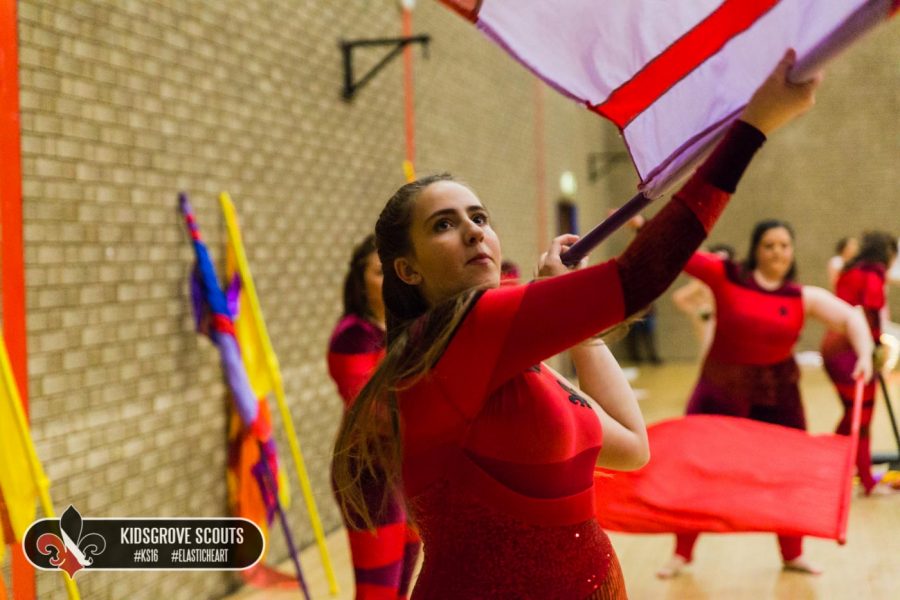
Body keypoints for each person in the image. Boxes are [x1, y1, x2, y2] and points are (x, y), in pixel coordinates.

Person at [333, 50, 821, 598]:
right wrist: (752, 127)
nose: (474, 232)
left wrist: (573, 320)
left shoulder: (508, 355)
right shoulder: (459, 331)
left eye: (480, 217)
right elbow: (638, 276)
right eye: (444, 225)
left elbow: (633, 445)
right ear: (408, 268)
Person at [657, 220, 873, 579]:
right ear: (756, 249)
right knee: (698, 472)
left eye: (784, 246)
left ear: (792, 252)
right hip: (720, 391)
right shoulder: (726, 277)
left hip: (777, 395)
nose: (777, 252)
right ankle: (681, 553)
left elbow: (852, 318)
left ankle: (793, 552)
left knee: (787, 473)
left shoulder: (801, 296)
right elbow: (683, 254)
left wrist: (864, 354)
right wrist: (643, 226)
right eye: (769, 245)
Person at [327, 235, 420, 600]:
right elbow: (372, 413)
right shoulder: (353, 336)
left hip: (404, 470)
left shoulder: (400, 330)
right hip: (368, 475)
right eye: (380, 272)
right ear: (359, 281)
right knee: (377, 594)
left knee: (400, 590)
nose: (390, 282)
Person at [821, 230, 898, 495]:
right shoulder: (873, 273)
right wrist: (876, 348)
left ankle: (831, 464)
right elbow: (870, 311)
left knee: (853, 413)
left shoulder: (852, 269)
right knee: (861, 417)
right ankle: (865, 480)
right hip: (852, 351)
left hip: (834, 348)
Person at [672, 243, 736, 355]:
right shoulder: (704, 280)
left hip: (729, 323)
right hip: (710, 322)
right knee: (711, 353)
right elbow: (679, 297)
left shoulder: (734, 280)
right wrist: (697, 312)